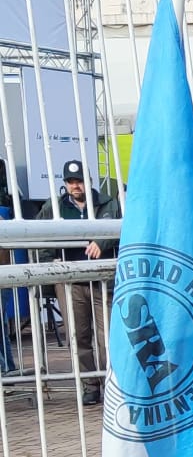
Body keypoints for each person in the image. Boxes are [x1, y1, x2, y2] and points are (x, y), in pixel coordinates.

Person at [37, 159, 121, 406]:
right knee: (78, 336)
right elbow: (38, 236)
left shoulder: (108, 203)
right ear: (65, 184)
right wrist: (49, 261)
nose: (75, 186)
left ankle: (112, 385)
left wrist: (102, 242)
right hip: (69, 281)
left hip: (101, 279)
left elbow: (122, 229)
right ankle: (89, 386)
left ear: (89, 181)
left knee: (108, 337)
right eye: (71, 182)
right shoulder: (54, 207)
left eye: (79, 181)